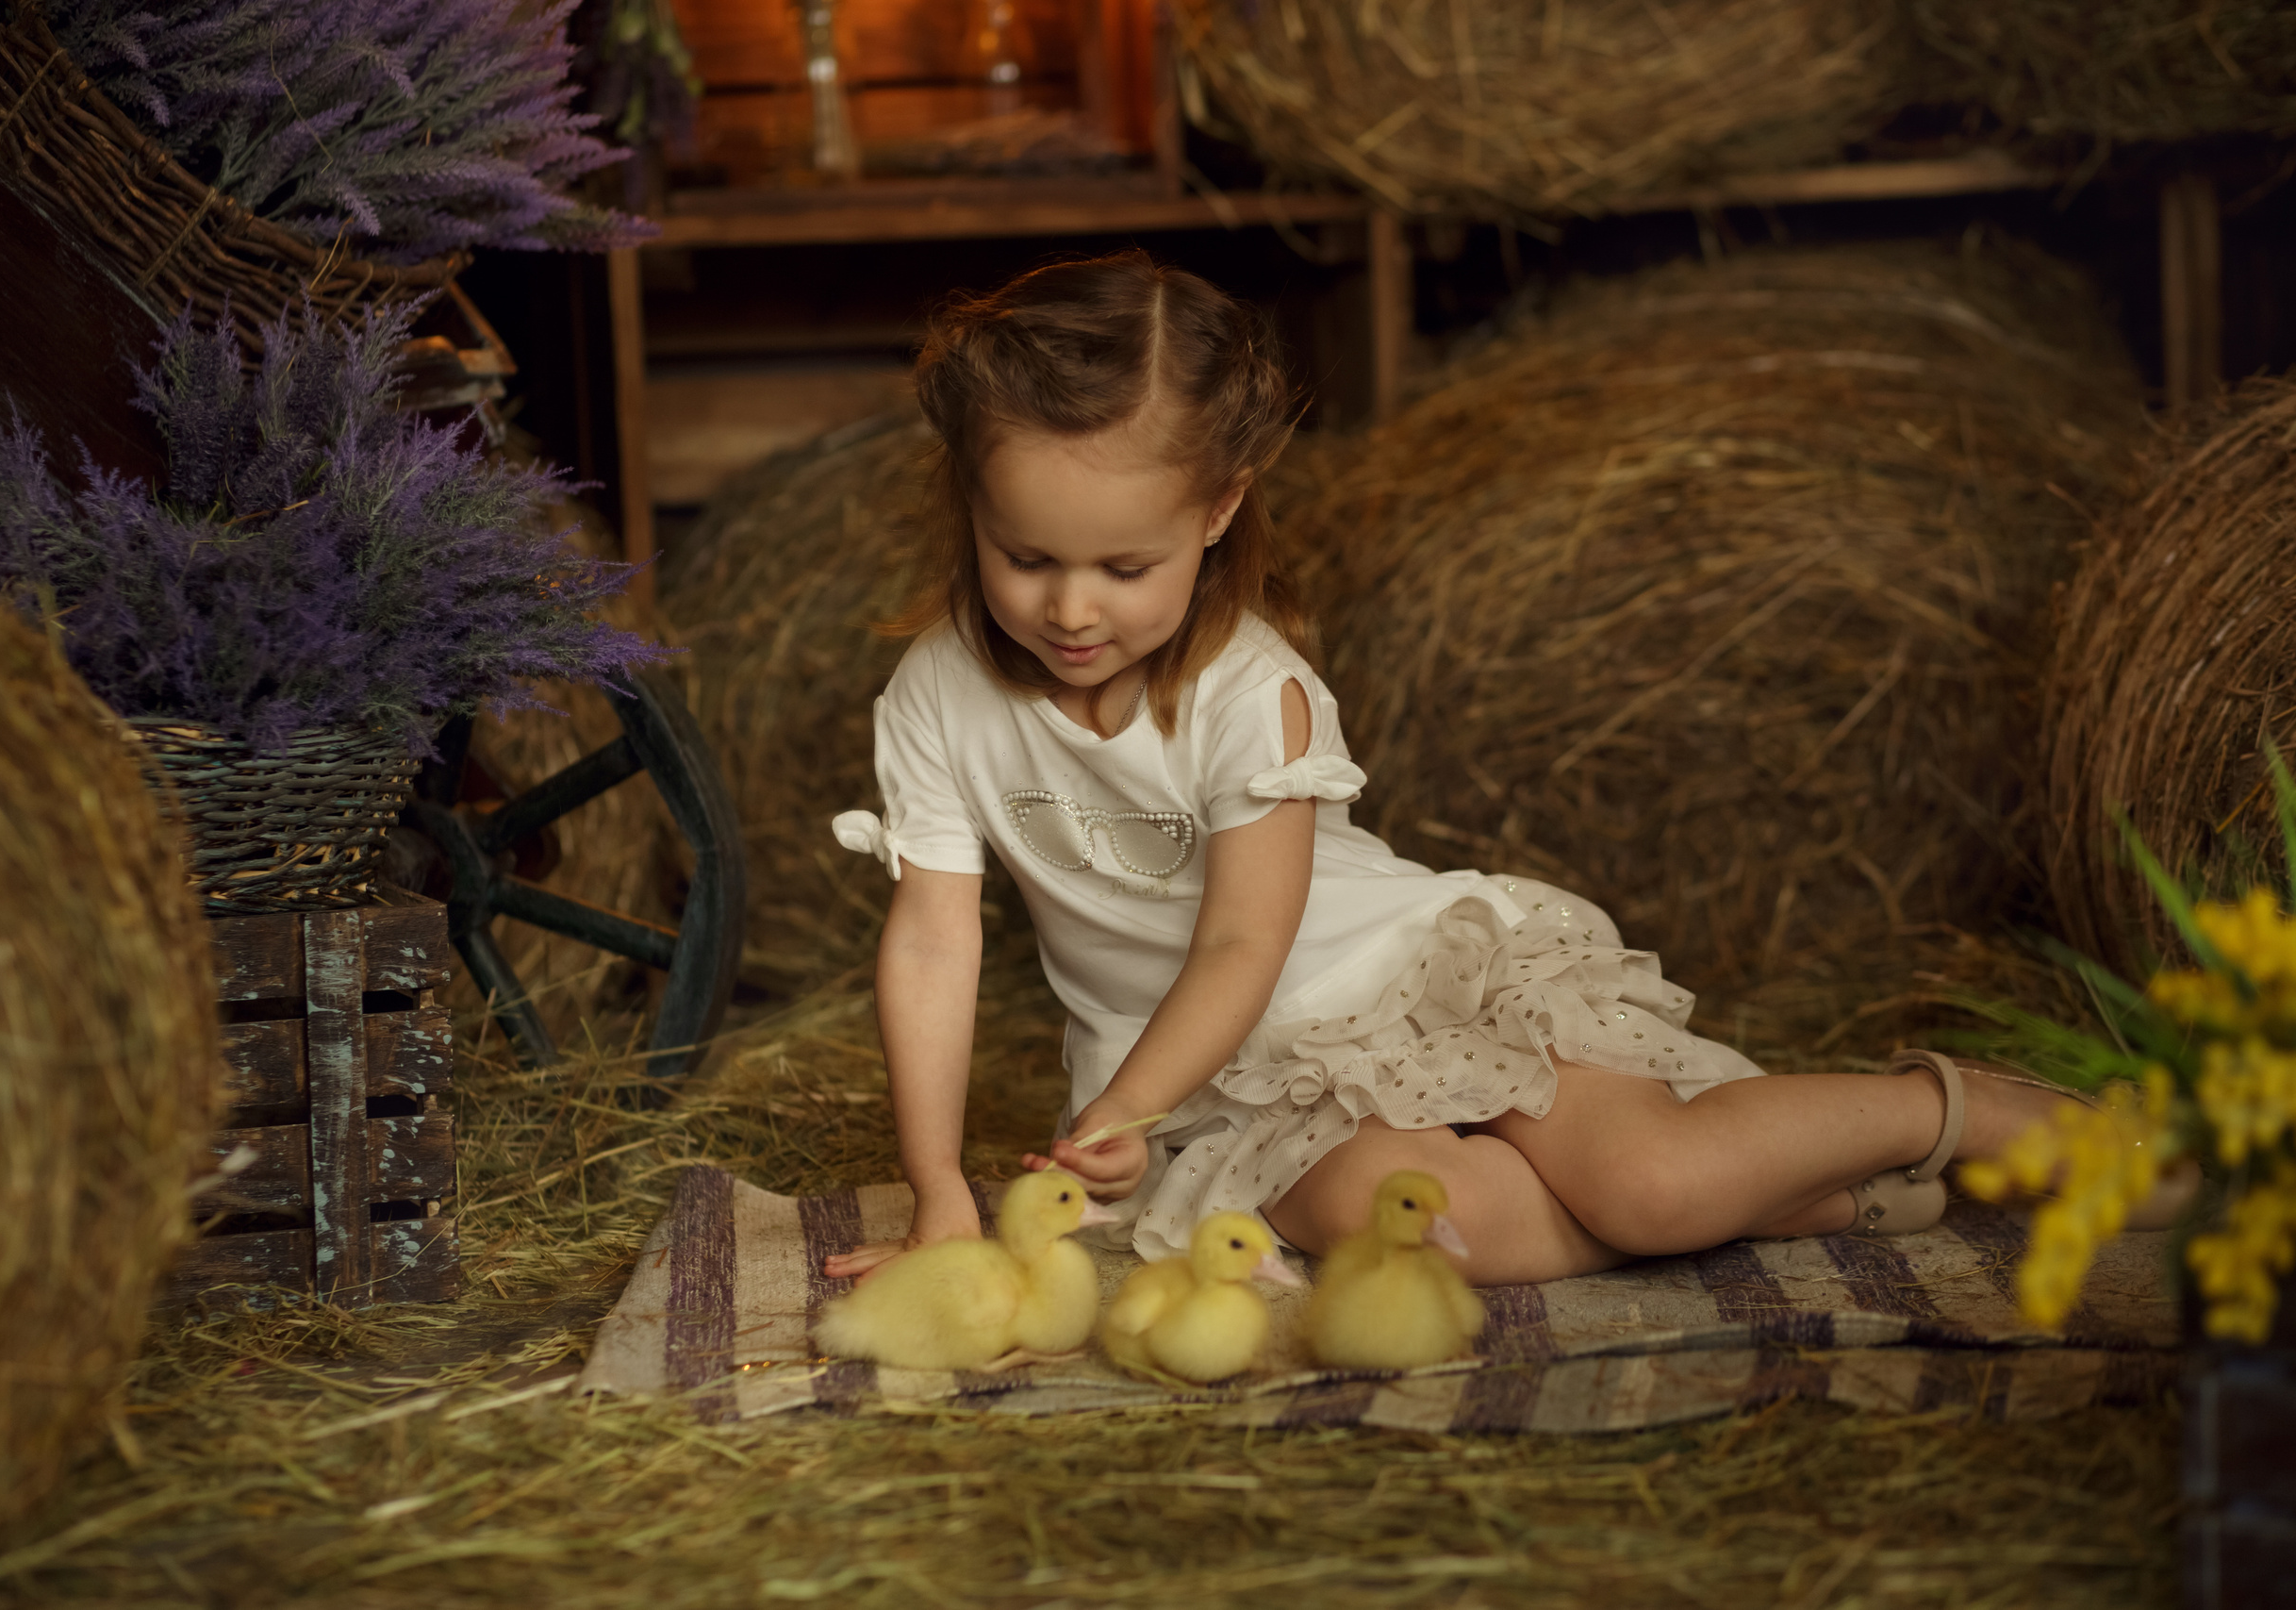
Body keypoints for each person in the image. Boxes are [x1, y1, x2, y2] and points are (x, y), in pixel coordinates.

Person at [822, 251, 2098, 1286]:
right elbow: (936, 941)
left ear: (1217, 514)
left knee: (1651, 1185)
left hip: (1408, 984)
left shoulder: (1248, 690)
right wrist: (942, 1190)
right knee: (1441, 1231)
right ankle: (1774, 1204)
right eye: (1027, 556)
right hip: (1225, 1094)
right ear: (973, 512)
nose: (1071, 608)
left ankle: (1949, 1111)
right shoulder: (939, 695)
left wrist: (1130, 1107)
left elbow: (1240, 947)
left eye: (1124, 567)